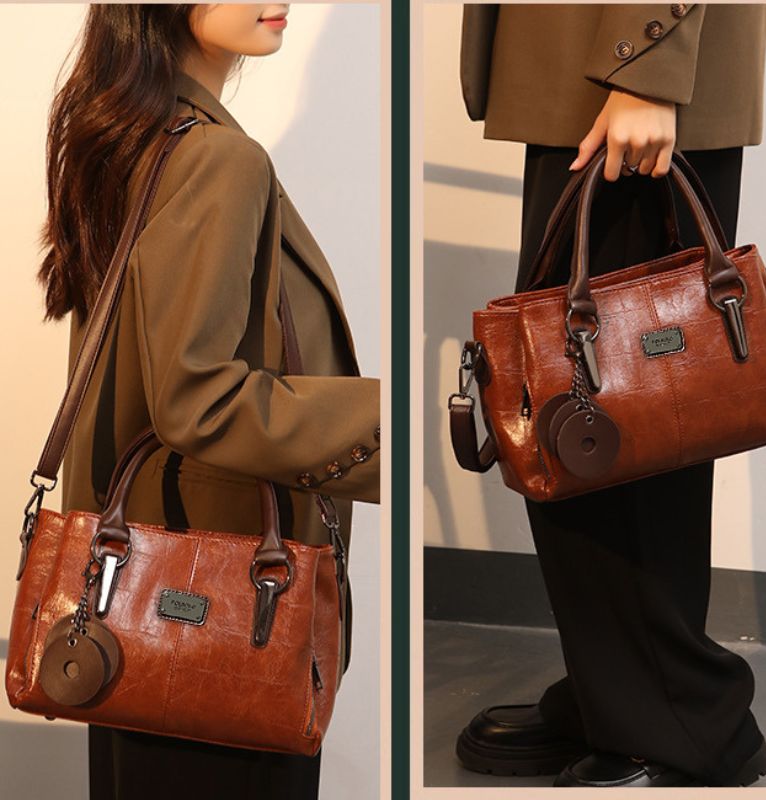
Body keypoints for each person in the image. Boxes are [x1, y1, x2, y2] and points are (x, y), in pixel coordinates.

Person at [35, 5, 380, 799]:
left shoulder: (127, 136)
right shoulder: (215, 157)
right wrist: (379, 427)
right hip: (219, 615)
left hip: (125, 605)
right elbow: (196, 397)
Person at [455, 3, 766, 788]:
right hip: (590, 70)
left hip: (623, 68)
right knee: (588, 417)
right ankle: (621, 695)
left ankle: (684, 722)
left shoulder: (639, 72)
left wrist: (648, 64)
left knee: (611, 426)